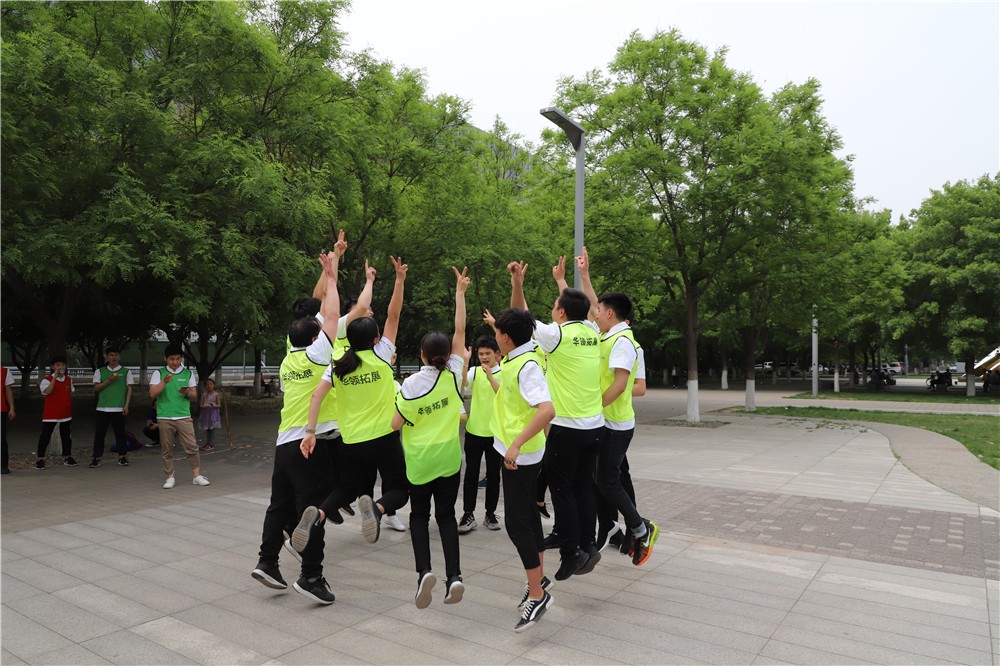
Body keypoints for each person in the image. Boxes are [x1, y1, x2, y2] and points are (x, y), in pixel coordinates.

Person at [251, 236, 346, 605]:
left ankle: (267, 562)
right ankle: (311, 576)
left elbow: (317, 311)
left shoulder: (289, 355)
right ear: (316, 336)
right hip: (311, 440)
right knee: (313, 509)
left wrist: (332, 263)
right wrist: (333, 277)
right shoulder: (317, 355)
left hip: (283, 443)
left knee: (279, 505)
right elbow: (331, 315)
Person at [295, 255, 409, 548]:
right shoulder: (382, 355)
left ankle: (319, 513)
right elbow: (394, 316)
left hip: (351, 440)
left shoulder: (337, 363)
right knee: (399, 490)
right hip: (384, 436)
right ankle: (378, 509)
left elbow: (317, 395)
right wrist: (399, 280)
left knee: (346, 489)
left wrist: (310, 432)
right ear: (375, 340)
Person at [509, 257, 604, 581]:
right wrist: (565, 280)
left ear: (561, 312)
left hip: (566, 426)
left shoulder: (556, 335)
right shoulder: (592, 331)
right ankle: (588, 545)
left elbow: (520, 316)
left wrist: (518, 283)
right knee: (584, 487)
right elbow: (587, 306)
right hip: (594, 425)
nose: (552, 309)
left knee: (562, 489)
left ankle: (570, 552)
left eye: (555, 305)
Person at [391, 266, 470, 608]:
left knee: (419, 517)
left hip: (420, 462)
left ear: (421, 354)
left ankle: (424, 571)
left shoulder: (409, 385)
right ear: (448, 355)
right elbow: (460, 330)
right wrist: (460, 293)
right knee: (447, 517)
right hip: (449, 459)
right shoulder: (454, 375)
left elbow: (395, 424)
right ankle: (455, 577)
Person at [576, 258, 660, 566]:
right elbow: (592, 304)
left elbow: (623, 383)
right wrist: (584, 274)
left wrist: (592, 406)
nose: (595, 314)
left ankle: (640, 528)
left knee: (608, 481)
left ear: (610, 314)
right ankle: (619, 530)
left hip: (615, 425)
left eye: (599, 310)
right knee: (609, 479)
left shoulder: (623, 341)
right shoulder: (609, 335)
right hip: (607, 422)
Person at [487, 307, 556, 632]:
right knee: (528, 517)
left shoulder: (526, 365)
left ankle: (538, 595)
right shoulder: (516, 357)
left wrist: (515, 445)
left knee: (517, 524)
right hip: (519, 451)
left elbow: (546, 410)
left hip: (521, 455)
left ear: (505, 337)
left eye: (497, 332)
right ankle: (537, 581)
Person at [458, 334, 503, 534]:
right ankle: (468, 514)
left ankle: (490, 513)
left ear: (497, 354)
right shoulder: (475, 372)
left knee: (493, 476)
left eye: (488, 353)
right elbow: (462, 384)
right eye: (481, 354)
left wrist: (491, 376)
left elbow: (503, 395)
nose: (484, 357)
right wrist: (466, 362)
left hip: (496, 433)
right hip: (474, 432)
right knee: (471, 475)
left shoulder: (504, 372)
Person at [149, 345, 208, 488]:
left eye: (177, 359)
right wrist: (164, 382)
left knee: (192, 446)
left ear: (181, 358)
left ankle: (196, 476)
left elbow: (194, 395)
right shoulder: (158, 373)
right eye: (171, 359)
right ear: (165, 358)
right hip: (165, 416)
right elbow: (152, 394)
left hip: (183, 415)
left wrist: (187, 392)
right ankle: (170, 477)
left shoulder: (188, 373)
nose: (175, 362)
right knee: (166, 449)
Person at [89, 346, 134, 468]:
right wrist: (109, 381)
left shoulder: (126, 371)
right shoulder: (100, 371)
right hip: (102, 408)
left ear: (119, 356)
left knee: (120, 433)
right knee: (100, 434)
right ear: (106, 356)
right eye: (111, 355)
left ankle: (122, 457)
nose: (114, 357)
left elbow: (129, 389)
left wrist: (126, 405)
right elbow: (97, 388)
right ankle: (96, 457)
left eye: (116, 355)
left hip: (119, 408)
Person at [36, 355, 76, 469]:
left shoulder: (68, 380)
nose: (60, 367)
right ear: (52, 367)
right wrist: (55, 378)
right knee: (45, 436)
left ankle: (67, 457)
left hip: (65, 413)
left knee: (66, 436)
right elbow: (48, 391)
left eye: (63, 365)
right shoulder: (47, 379)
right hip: (51, 414)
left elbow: (70, 392)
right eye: (58, 365)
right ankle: (40, 459)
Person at [199, 378, 222, 451]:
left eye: (210, 384)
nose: (209, 386)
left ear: (213, 385)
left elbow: (219, 405)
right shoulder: (204, 395)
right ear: (205, 386)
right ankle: (208, 443)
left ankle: (211, 444)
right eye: (207, 384)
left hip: (213, 415)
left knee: (212, 430)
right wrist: (205, 406)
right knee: (208, 429)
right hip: (206, 415)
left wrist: (214, 405)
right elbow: (201, 405)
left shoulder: (216, 394)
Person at [2, 366, 15, 474]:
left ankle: (3, 466)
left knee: (1, 438)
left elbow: (8, 390)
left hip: (1, 409)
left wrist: (11, 408)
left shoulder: (4, 371)